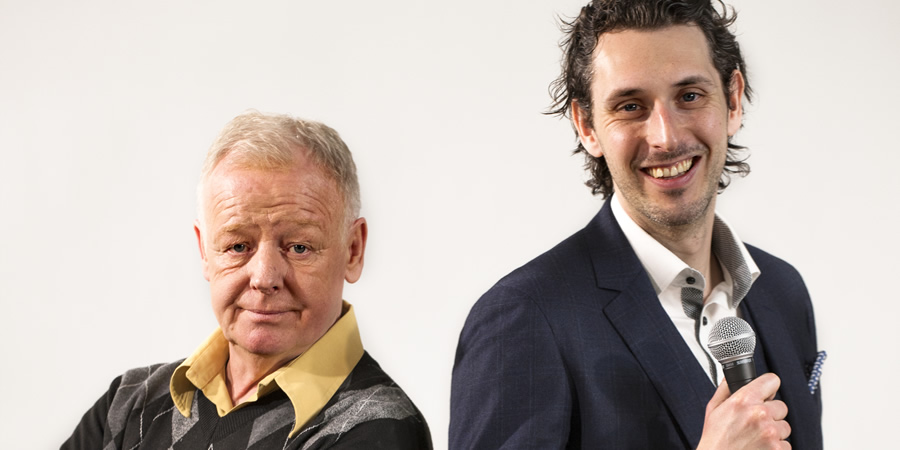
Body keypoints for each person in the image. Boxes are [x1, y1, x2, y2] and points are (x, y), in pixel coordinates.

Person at [450, 1, 822, 449]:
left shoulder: (783, 290)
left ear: (734, 100)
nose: (666, 136)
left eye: (689, 96)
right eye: (630, 106)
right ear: (587, 126)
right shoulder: (523, 318)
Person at [62, 111, 432, 449]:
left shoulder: (379, 429)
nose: (265, 277)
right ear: (205, 251)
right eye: (238, 245)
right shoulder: (129, 405)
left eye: (299, 247)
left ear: (353, 250)